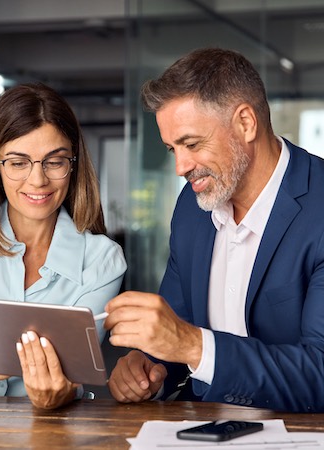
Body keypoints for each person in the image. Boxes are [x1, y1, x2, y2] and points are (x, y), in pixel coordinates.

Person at [104, 47, 324, 413]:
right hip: (201, 429)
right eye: (172, 148)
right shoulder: (192, 208)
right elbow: (179, 331)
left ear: (245, 123)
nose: (180, 166)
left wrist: (193, 346)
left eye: (191, 144)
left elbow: (319, 373)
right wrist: (149, 368)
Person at [0, 82, 127, 409]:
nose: (37, 181)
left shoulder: (102, 261)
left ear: (73, 165)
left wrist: (56, 394)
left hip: (50, 435)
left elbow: (72, 378)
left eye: (55, 161)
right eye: (18, 162)